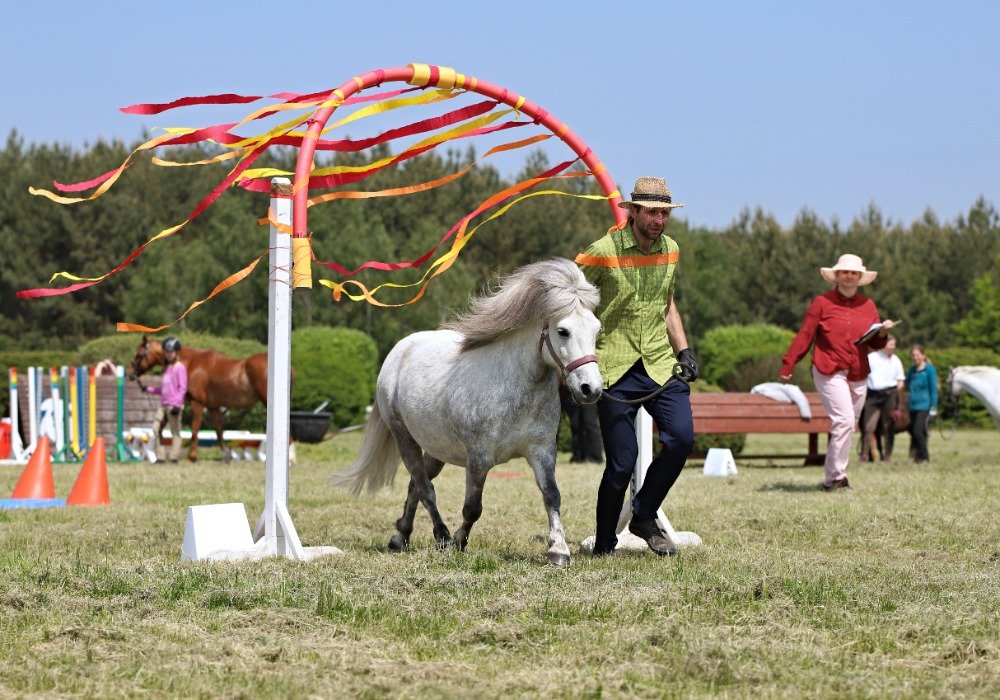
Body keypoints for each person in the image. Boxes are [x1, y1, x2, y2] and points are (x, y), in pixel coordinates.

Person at [576, 176, 699, 556]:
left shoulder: (671, 250)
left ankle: (644, 515)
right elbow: (568, 295)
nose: (658, 219)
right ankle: (604, 544)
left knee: (682, 438)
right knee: (621, 464)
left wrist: (684, 349)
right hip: (613, 367)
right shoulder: (602, 250)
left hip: (660, 364)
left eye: (664, 212)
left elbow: (667, 302)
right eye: (651, 212)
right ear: (633, 212)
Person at [780, 254, 894, 491]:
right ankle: (835, 478)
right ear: (837, 275)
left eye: (854, 273)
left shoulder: (869, 305)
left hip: (859, 371)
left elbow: (875, 344)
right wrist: (789, 363)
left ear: (860, 277)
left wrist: (882, 332)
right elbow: (805, 335)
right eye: (844, 272)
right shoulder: (821, 302)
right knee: (843, 421)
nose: (849, 276)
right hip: (828, 368)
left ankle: (835, 475)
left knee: (848, 424)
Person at [859, 334, 905, 462]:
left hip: (889, 394)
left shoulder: (896, 360)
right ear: (884, 344)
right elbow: (864, 377)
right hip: (872, 394)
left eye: (894, 345)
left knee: (888, 426)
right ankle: (864, 455)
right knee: (868, 426)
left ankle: (887, 456)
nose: (893, 347)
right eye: (891, 344)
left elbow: (900, 381)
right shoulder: (871, 358)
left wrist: (898, 401)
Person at [146, 337, 188, 462]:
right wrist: (149, 389)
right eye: (166, 352)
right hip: (163, 405)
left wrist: (177, 404)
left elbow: (182, 388)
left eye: (171, 352)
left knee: (175, 432)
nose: (169, 354)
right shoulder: (167, 368)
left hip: (174, 405)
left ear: (177, 352)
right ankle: (160, 456)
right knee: (156, 428)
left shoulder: (180, 368)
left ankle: (174, 457)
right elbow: (163, 389)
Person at [905, 345, 938, 463]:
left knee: (918, 431)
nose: (915, 357)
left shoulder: (929, 370)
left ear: (923, 355)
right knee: (916, 433)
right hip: (912, 406)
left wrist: (933, 406)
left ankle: (924, 458)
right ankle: (918, 457)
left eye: (917, 355)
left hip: (924, 406)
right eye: (913, 355)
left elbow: (933, 390)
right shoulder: (912, 371)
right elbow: (907, 384)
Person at [560, 386, 603, 464]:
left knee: (589, 424)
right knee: (575, 424)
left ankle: (595, 457)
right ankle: (578, 456)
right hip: (573, 393)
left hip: (589, 392)